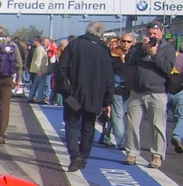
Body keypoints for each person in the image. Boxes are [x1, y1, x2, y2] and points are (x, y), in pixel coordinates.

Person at [58, 22, 114, 172]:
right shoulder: (103, 50)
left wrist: (64, 89)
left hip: (74, 92)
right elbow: (109, 77)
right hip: (95, 95)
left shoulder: (75, 44)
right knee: (88, 127)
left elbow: (62, 67)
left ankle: (74, 154)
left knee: (72, 124)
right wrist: (107, 100)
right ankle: (83, 158)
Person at [124, 20, 176, 168]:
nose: (152, 36)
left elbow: (168, 68)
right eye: (149, 34)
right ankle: (132, 153)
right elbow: (129, 61)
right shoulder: (139, 47)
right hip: (137, 92)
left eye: (155, 33)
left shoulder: (167, 49)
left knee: (157, 126)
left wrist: (154, 55)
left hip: (157, 92)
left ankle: (157, 155)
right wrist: (142, 49)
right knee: (132, 124)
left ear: (161, 34)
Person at [102, 33, 133, 149]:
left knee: (119, 114)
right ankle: (122, 142)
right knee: (118, 116)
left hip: (130, 90)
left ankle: (106, 136)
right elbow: (109, 71)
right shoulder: (112, 55)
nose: (125, 44)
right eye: (123, 41)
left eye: (128, 42)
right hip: (117, 89)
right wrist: (122, 61)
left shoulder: (134, 55)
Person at [27, 36, 50, 103]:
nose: (47, 43)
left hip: (38, 70)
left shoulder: (39, 48)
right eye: (45, 41)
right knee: (41, 85)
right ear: (42, 42)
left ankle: (30, 97)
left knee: (35, 84)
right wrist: (39, 70)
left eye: (48, 42)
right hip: (40, 70)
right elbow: (38, 60)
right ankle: (39, 99)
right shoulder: (40, 49)